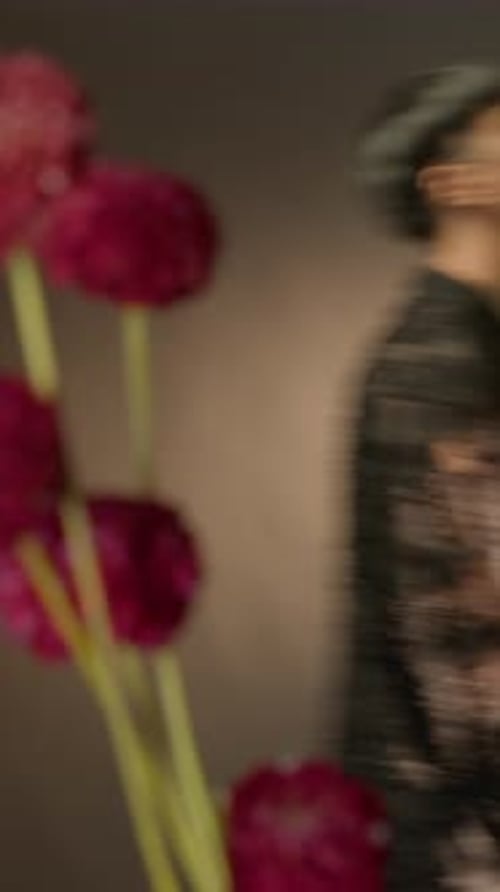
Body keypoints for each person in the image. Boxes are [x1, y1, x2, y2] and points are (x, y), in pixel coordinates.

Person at [341, 65, 500, 891]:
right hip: (456, 839)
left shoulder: (464, 340)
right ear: (449, 182)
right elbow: (462, 641)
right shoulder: (439, 361)